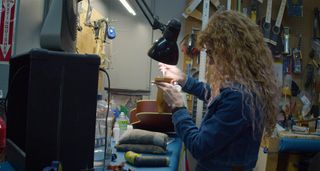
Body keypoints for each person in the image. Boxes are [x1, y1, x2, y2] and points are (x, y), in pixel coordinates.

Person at [155, 10, 279, 171]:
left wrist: (178, 107)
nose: (211, 60)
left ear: (231, 52)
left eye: (212, 52)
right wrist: (185, 80)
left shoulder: (240, 97)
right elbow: (219, 98)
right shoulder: (246, 89)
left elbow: (199, 147)